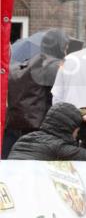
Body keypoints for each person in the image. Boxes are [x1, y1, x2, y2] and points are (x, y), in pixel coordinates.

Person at [3, 28, 69, 156]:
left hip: (15, 128)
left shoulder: (31, 63)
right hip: (41, 130)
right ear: (60, 47)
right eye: (65, 47)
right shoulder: (55, 67)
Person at [9, 102, 86, 161]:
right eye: (77, 130)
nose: (77, 135)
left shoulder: (24, 139)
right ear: (71, 128)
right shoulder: (60, 148)